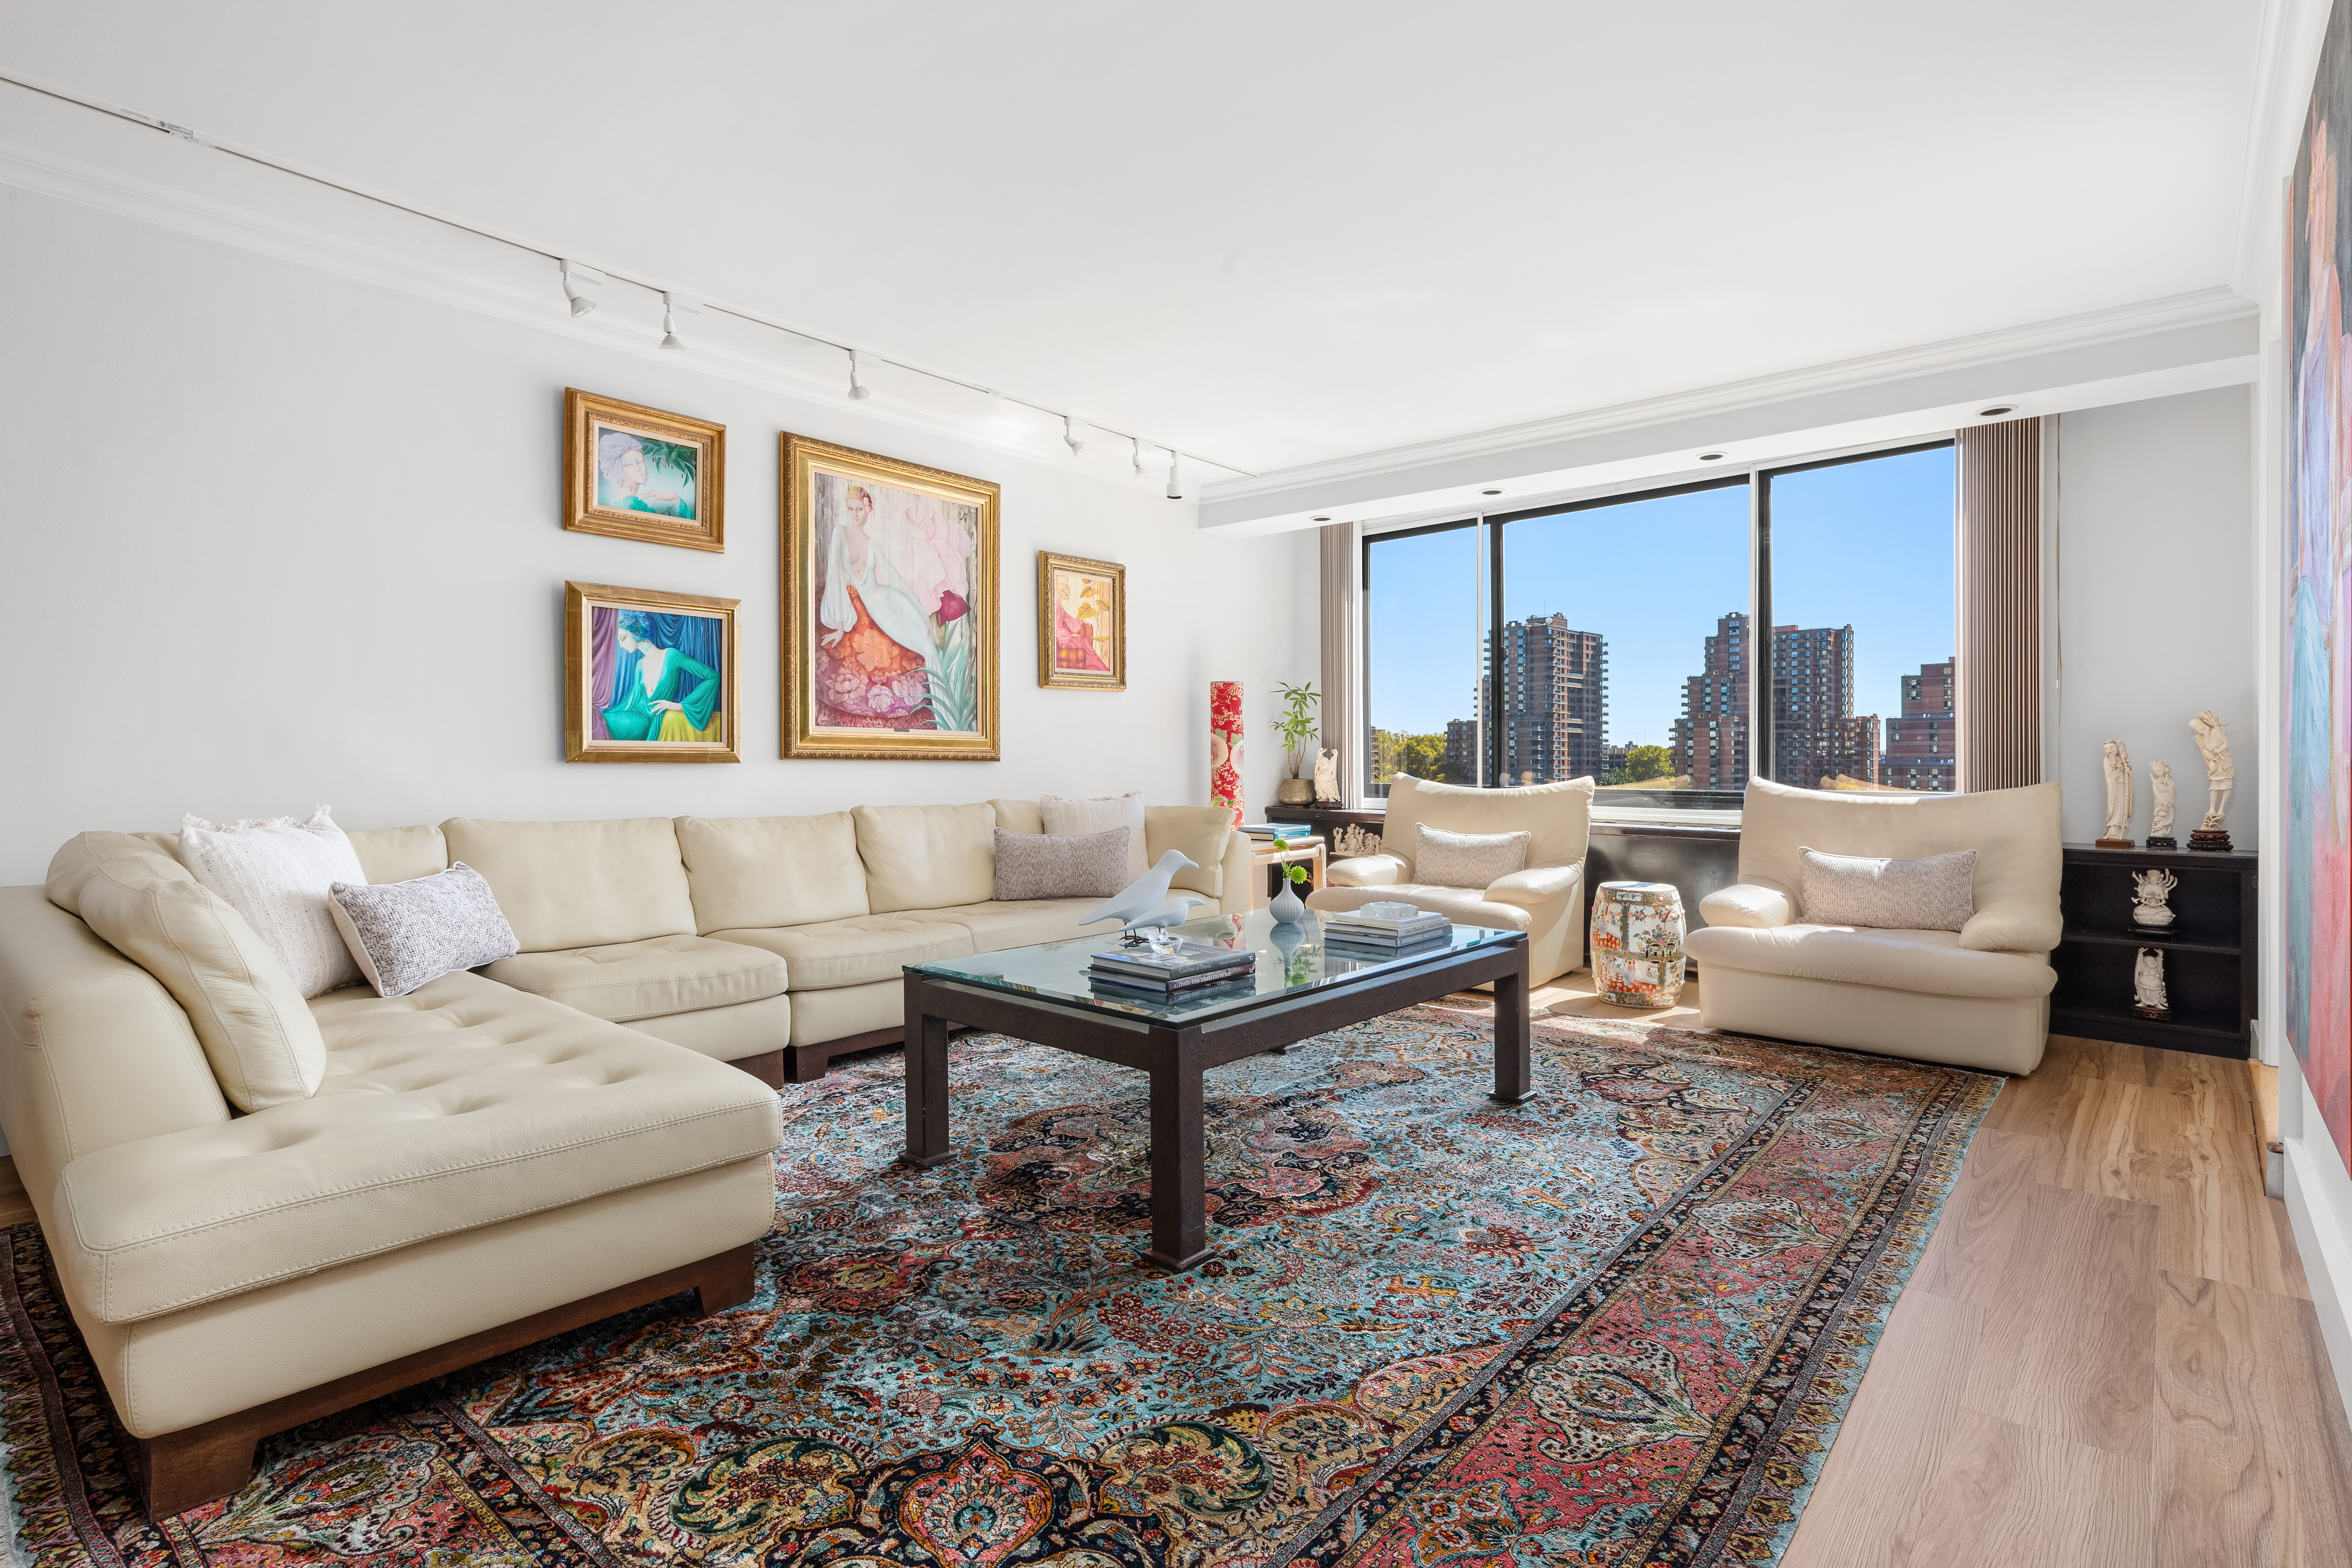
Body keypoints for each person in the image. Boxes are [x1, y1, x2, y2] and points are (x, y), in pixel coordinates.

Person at [601, 615, 720, 742]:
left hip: (648, 722)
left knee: (604, 725)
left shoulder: (671, 656)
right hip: (635, 715)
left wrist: (680, 706)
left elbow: (713, 676)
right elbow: (632, 701)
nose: (621, 645)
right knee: (601, 721)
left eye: (623, 639)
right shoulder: (640, 665)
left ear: (636, 632)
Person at [596, 431, 689, 518]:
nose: (638, 468)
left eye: (641, 462)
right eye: (629, 465)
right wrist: (675, 497)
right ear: (619, 469)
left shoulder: (620, 501)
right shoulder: (632, 504)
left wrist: (674, 497)